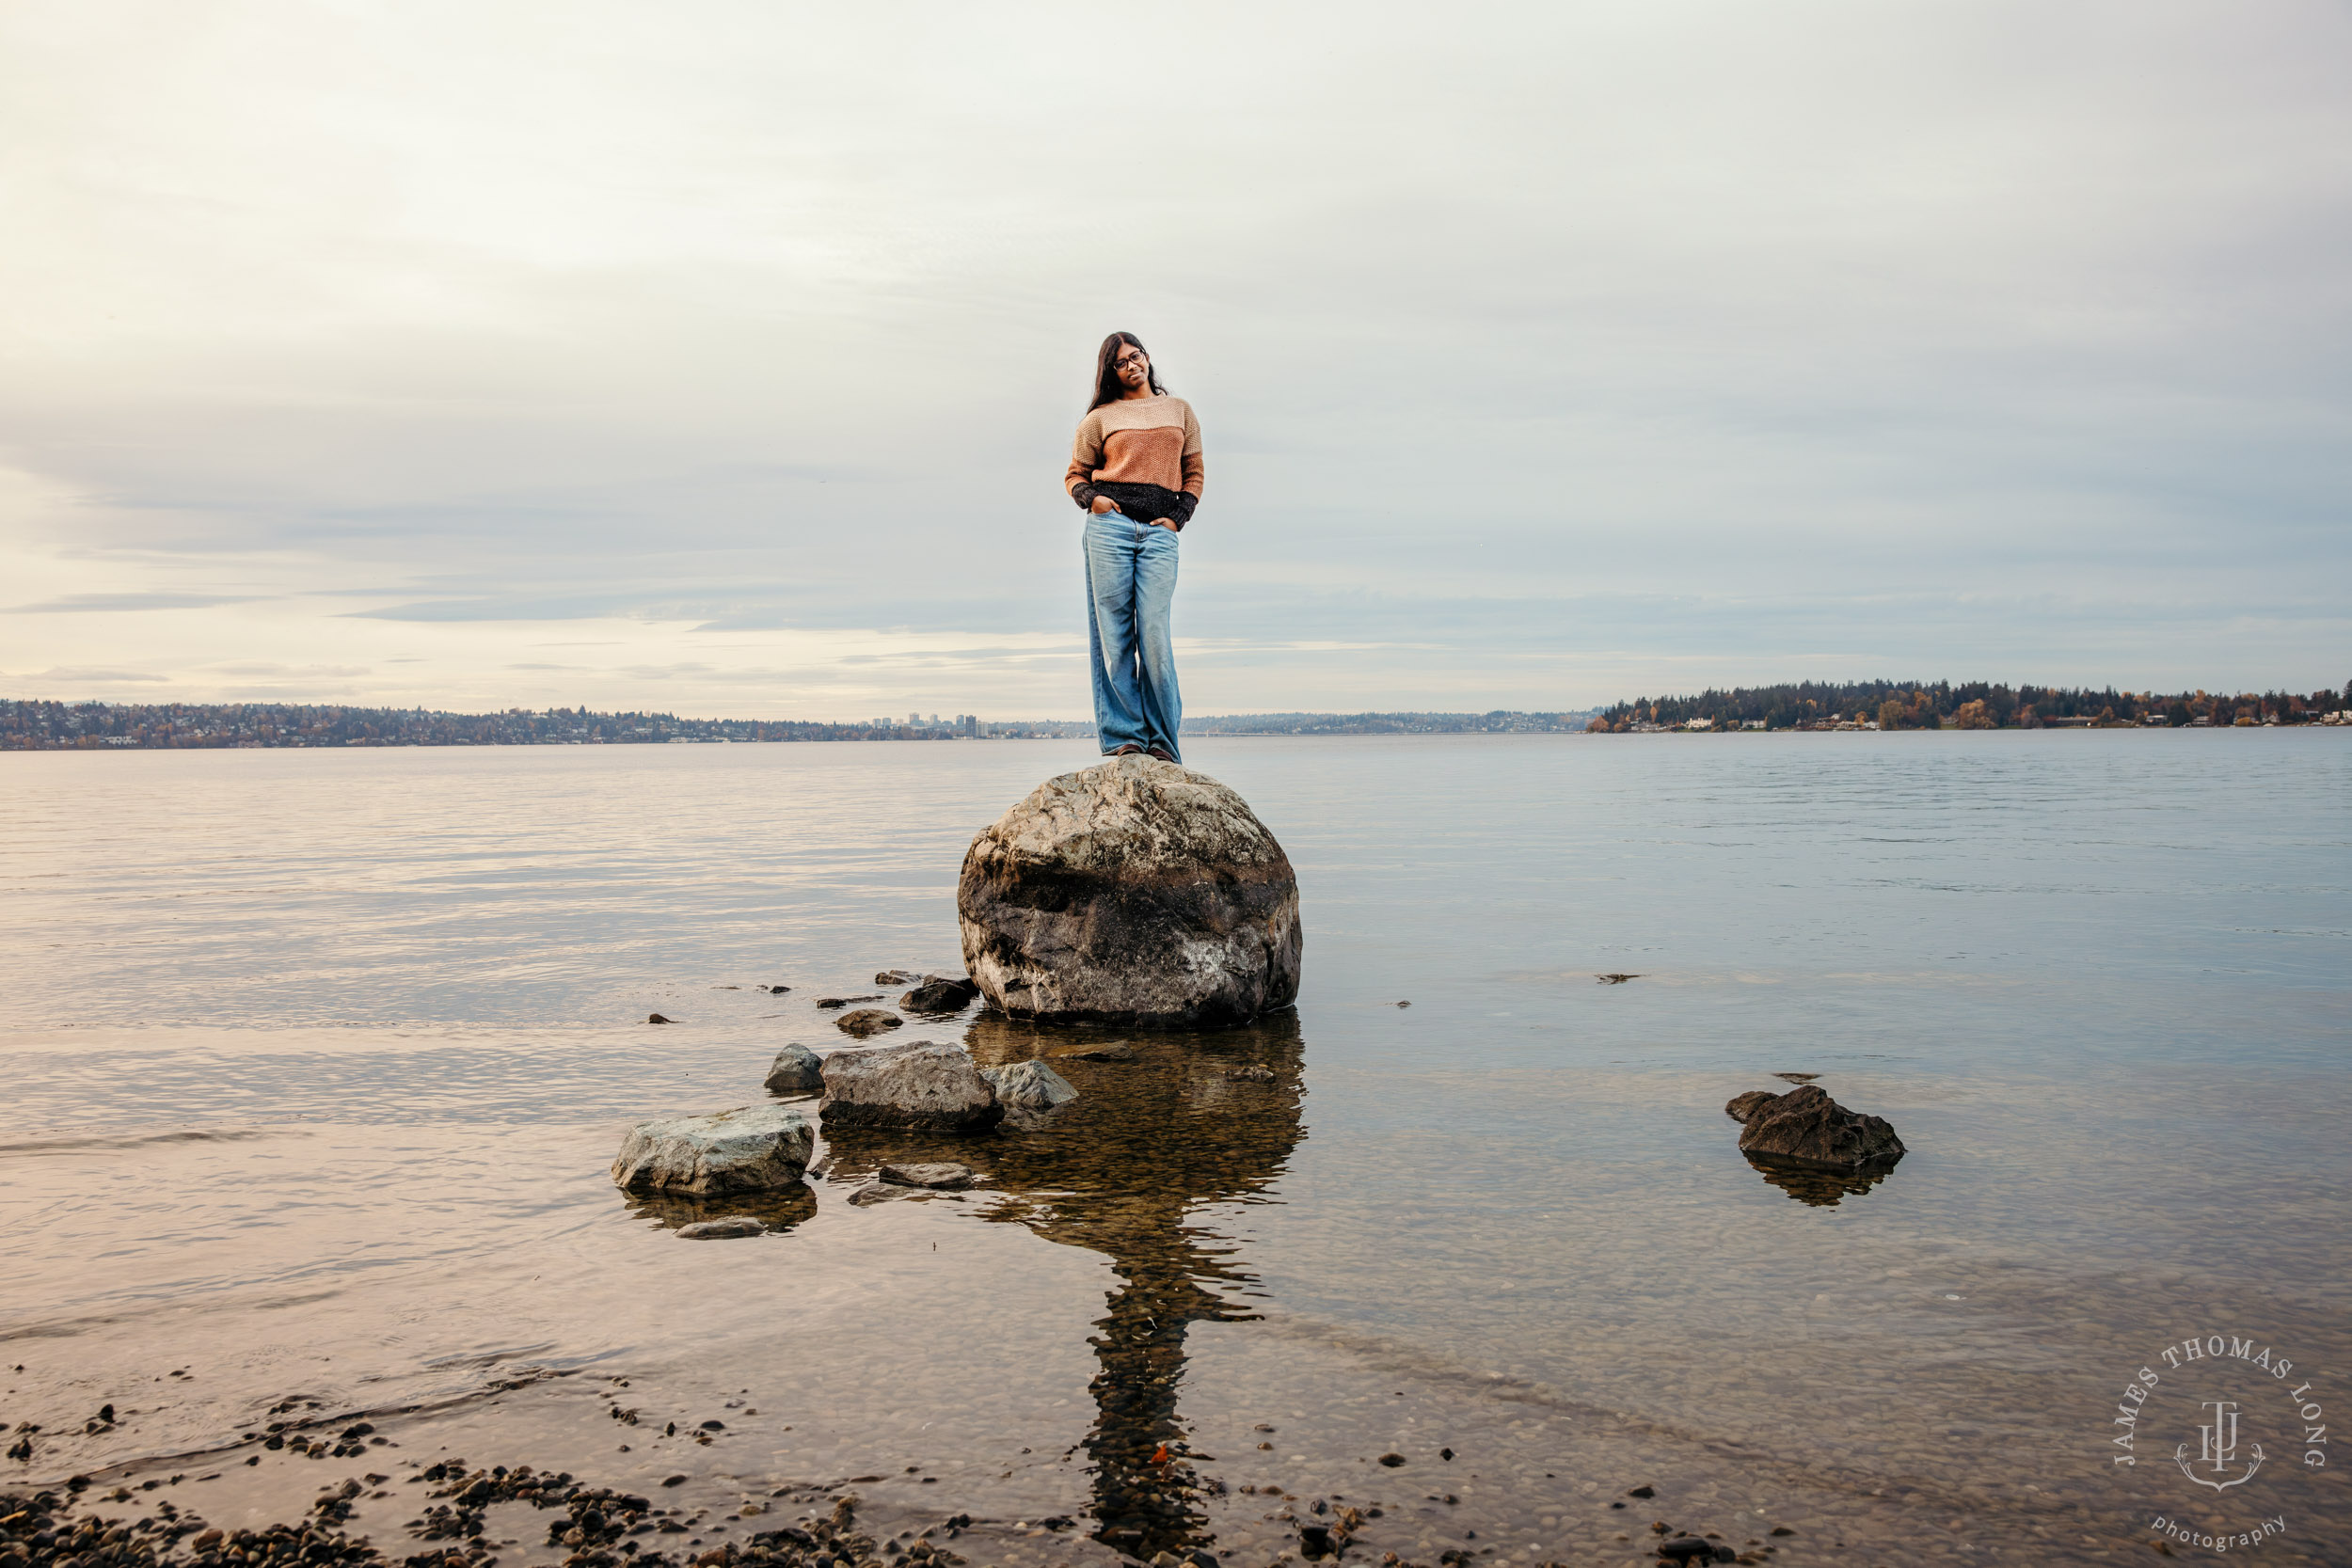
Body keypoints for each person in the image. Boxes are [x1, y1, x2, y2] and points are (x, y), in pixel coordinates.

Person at [1064, 331, 1202, 763]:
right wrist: (1095, 502)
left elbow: (1194, 471)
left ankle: (1162, 740)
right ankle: (1125, 736)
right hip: (1111, 529)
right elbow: (1075, 476)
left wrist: (1178, 518)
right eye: (1120, 362)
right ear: (1112, 372)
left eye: (1135, 356)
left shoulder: (1179, 410)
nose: (1131, 365)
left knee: (1154, 634)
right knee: (1116, 636)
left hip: (1160, 533)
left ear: (1147, 358)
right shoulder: (1100, 418)